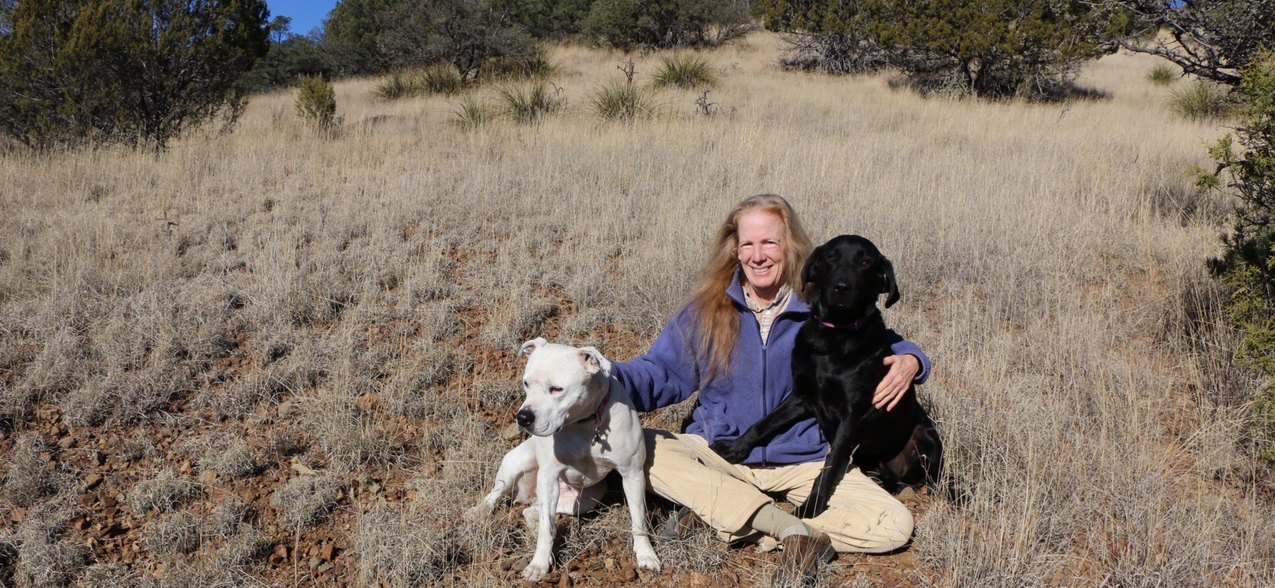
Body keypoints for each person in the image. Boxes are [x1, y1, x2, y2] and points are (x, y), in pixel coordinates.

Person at [611, 193, 930, 582]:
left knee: (893, 525)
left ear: (790, 246)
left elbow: (883, 342)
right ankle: (786, 527)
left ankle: (728, 514)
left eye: (769, 243)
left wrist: (914, 359)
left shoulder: (821, 301)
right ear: (735, 249)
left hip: (802, 461)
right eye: (748, 243)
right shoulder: (704, 311)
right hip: (720, 451)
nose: (758, 255)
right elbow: (658, 374)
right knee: (643, 448)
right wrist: (601, 374)